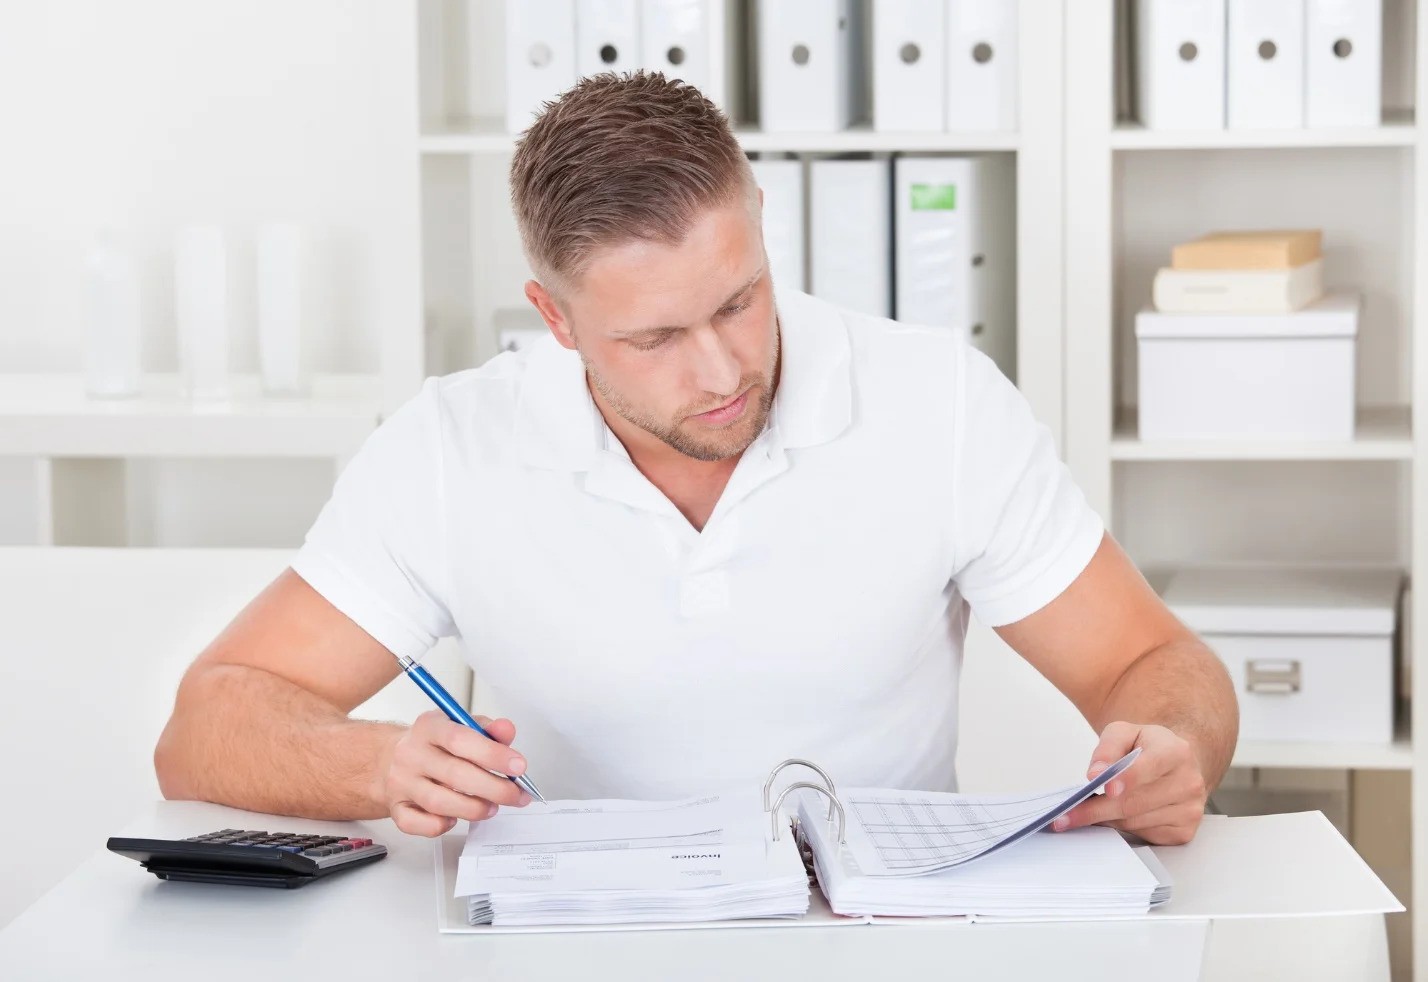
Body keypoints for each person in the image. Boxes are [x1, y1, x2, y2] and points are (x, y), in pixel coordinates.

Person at [155, 72, 1237, 847]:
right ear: (557, 320)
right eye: (655, 339)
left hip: (882, 939)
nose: (722, 369)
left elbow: (1154, 663)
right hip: (579, 943)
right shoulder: (450, 447)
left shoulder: (938, 403)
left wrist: (1172, 747)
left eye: (739, 299)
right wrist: (382, 764)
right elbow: (207, 723)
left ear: (761, 225)